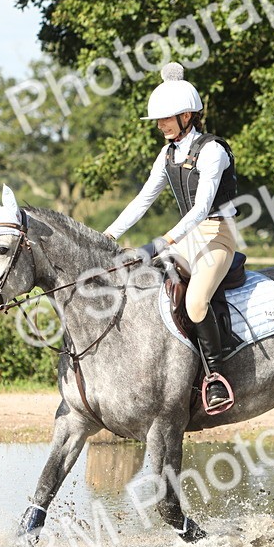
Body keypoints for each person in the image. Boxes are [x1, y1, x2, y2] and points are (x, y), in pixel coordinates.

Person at [103, 62, 240, 414]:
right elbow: (143, 200)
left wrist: (164, 241)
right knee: (147, 289)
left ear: (189, 115)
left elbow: (200, 208)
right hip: (187, 239)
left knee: (195, 303)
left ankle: (216, 377)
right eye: (159, 120)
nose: (161, 125)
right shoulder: (168, 154)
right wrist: (109, 234)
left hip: (217, 235)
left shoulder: (213, 151)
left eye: (167, 118)